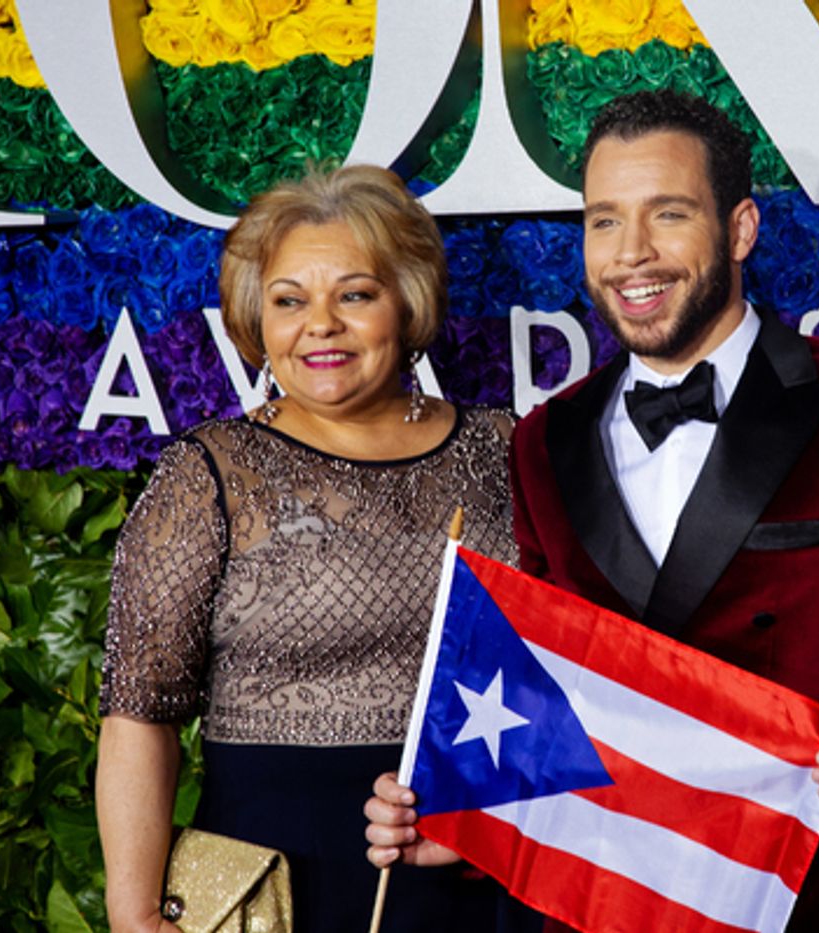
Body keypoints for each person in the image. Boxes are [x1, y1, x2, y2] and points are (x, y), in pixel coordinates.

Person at [365, 90, 819, 931]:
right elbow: (559, 688)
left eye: (667, 215)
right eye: (603, 221)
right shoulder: (545, 440)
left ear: (739, 230)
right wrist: (480, 820)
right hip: (614, 900)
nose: (631, 255)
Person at [96, 164, 515, 933]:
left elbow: (569, 673)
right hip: (272, 890)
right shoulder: (209, 473)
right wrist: (133, 914)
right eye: (289, 301)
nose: (320, 324)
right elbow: (139, 715)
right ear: (258, 319)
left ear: (408, 300)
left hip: (480, 877)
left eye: (354, 294)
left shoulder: (504, 450)